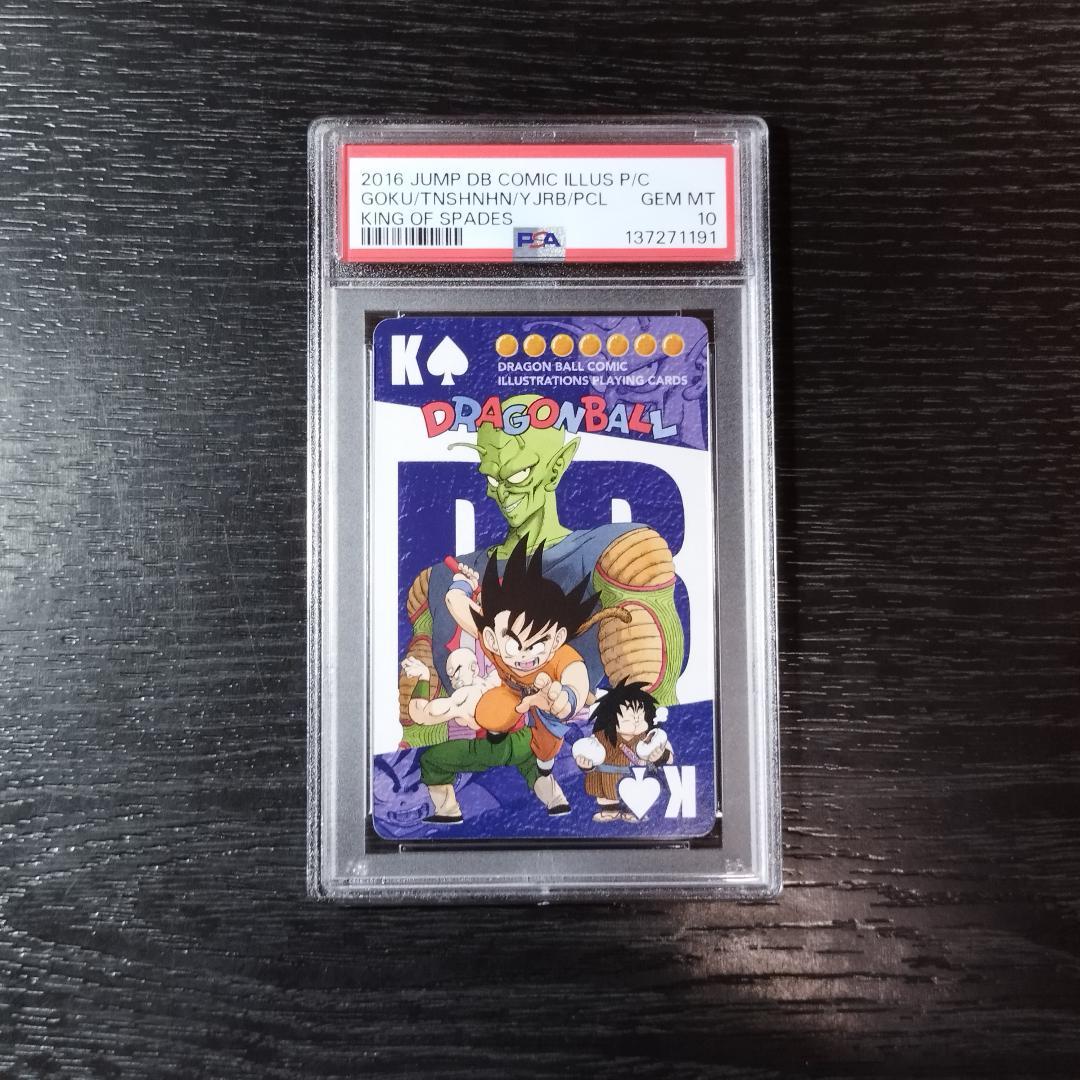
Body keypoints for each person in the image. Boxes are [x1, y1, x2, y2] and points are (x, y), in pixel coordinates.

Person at [418, 537, 601, 824]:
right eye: (516, 643)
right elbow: (455, 602)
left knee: (433, 760)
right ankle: (554, 798)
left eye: (538, 642)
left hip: (528, 736)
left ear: (557, 639)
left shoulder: (558, 656)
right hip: (516, 735)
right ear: (492, 638)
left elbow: (576, 676)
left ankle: (448, 809)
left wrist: (568, 697)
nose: (526, 653)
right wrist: (464, 583)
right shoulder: (495, 643)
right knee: (529, 757)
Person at [572, 680, 674, 822]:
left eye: (640, 716)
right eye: (629, 717)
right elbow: (591, 753)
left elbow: (669, 757)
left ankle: (633, 809)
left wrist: (660, 756)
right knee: (607, 794)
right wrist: (586, 764)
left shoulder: (648, 738)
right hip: (606, 777)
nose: (636, 720)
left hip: (636, 778)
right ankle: (610, 809)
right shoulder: (601, 737)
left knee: (637, 792)